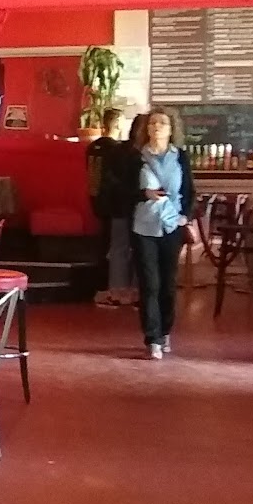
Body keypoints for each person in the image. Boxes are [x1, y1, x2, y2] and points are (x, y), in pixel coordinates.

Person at [132, 107, 194, 359]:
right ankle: (153, 338)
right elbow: (122, 190)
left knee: (167, 283)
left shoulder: (180, 157)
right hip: (144, 225)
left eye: (162, 123)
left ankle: (165, 330)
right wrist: (143, 193)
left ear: (171, 130)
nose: (156, 127)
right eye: (152, 123)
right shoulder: (136, 157)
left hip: (172, 225)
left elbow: (189, 190)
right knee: (149, 283)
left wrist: (185, 216)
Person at [87, 107, 138, 307]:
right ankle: (117, 290)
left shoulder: (92, 147)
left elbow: (93, 179)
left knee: (106, 246)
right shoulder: (118, 150)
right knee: (118, 248)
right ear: (117, 124)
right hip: (117, 204)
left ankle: (103, 289)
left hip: (99, 201)